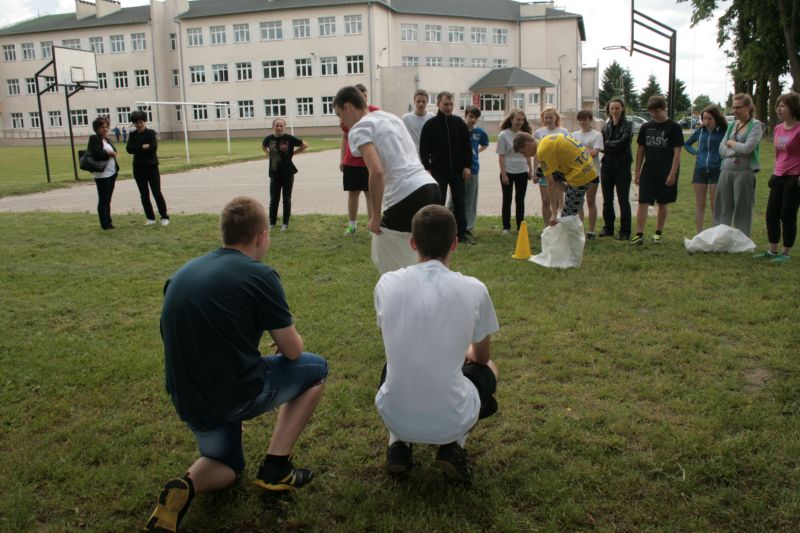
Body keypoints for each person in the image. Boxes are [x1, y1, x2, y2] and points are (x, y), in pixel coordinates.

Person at [144, 196, 328, 533]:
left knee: (227, 467)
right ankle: (277, 467)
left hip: (190, 399)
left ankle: (186, 486)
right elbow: (293, 351)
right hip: (233, 393)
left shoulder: (182, 274)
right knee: (316, 370)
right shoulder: (260, 275)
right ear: (261, 236)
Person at [374, 204, 499, 483]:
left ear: (412, 242)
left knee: (393, 365)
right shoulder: (475, 289)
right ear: (454, 243)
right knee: (489, 367)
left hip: (394, 414)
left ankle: (398, 444)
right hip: (451, 417)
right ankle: (454, 446)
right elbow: (481, 357)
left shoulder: (386, 283)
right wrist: (462, 352)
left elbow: (392, 340)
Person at [334, 86, 439, 273]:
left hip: (407, 194)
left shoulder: (359, 128)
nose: (341, 122)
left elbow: (376, 172)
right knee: (424, 251)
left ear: (348, 107)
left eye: (339, 115)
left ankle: (405, 288)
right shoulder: (390, 117)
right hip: (431, 187)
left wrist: (375, 217)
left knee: (383, 249)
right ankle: (430, 283)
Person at [419, 91, 474, 245]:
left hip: (458, 171)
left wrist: (467, 166)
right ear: (438, 104)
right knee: (438, 203)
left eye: (451, 104)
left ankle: (461, 234)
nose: (449, 107)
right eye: (445, 104)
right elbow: (424, 149)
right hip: (438, 171)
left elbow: (467, 147)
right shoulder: (430, 125)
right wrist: (427, 168)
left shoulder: (459, 123)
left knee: (460, 202)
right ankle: (437, 234)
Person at [631, 95, 684, 246]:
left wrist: (672, 174)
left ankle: (658, 234)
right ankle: (639, 234)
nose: (654, 114)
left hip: (666, 172)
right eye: (651, 112)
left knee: (663, 203)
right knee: (643, 201)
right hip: (648, 171)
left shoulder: (674, 127)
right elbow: (641, 150)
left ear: (664, 109)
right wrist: (637, 171)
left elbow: (677, 152)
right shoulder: (646, 127)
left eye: (657, 111)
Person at [754, 92, 800, 263]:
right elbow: (778, 154)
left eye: (782, 106)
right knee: (771, 214)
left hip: (794, 177)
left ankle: (785, 253)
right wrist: (776, 170)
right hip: (779, 175)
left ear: (793, 108)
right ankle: (772, 250)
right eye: (777, 106)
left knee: (787, 215)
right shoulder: (778, 129)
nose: (778, 109)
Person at [514, 132, 597, 224]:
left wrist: (554, 212)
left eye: (523, 152)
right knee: (541, 171)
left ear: (527, 144)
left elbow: (551, 185)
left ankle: (574, 196)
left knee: (567, 217)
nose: (525, 156)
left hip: (581, 175)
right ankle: (571, 192)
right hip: (588, 168)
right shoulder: (545, 140)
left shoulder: (542, 151)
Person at [716, 93, 763, 237]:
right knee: (723, 206)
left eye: (738, 107)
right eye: (733, 107)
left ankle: (742, 240)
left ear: (748, 107)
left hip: (744, 172)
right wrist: (734, 151)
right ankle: (721, 237)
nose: (734, 110)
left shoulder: (756, 126)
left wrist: (732, 143)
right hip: (726, 169)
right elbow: (721, 148)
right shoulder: (732, 125)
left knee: (743, 207)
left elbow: (748, 148)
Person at [341, 84, 379, 235]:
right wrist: (342, 159)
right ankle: (352, 226)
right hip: (351, 162)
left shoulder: (375, 111)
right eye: (360, 95)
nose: (363, 97)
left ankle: (372, 225)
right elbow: (344, 138)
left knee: (370, 194)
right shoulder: (347, 114)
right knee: (352, 194)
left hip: (368, 162)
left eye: (365, 95)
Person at [447, 105, 489, 240]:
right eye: (470, 116)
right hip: (458, 169)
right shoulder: (458, 129)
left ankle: (468, 227)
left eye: (475, 117)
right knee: (454, 199)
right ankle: (448, 224)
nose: (472, 120)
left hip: (473, 169)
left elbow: (485, 143)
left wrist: (476, 152)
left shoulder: (479, 132)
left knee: (470, 199)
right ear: (465, 115)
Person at [684, 105, 727, 234]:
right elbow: (687, 144)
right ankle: (699, 234)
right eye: (704, 118)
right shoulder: (700, 131)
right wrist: (696, 153)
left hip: (717, 170)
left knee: (715, 205)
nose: (707, 121)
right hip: (700, 170)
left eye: (710, 119)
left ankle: (715, 235)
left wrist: (722, 157)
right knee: (700, 205)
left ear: (716, 119)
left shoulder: (723, 131)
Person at [261, 118, 308, 231]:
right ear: (273, 127)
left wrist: (294, 153)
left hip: (288, 173)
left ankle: (285, 223)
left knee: (286, 199)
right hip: (274, 173)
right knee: (274, 199)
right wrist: (268, 154)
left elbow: (305, 145)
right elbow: (263, 146)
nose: (279, 128)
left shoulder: (289, 138)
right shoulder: (269, 139)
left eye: (281, 126)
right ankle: (272, 223)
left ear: (284, 127)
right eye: (277, 125)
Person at [126, 110, 170, 226]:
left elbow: (153, 148)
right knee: (144, 194)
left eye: (141, 122)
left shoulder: (151, 133)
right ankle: (150, 218)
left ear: (144, 121)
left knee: (156, 192)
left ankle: (164, 216)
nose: (139, 125)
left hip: (151, 167)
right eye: (136, 123)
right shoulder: (132, 135)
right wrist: (142, 147)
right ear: (134, 124)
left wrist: (138, 148)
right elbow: (129, 149)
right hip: (138, 168)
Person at [599, 97, 634, 240]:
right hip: (607, 166)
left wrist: (608, 144)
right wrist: (610, 145)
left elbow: (624, 143)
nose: (614, 111)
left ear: (622, 109)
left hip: (622, 166)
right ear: (608, 110)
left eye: (617, 108)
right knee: (607, 200)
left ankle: (625, 231)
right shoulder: (606, 126)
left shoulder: (628, 125)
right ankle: (608, 228)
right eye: (612, 108)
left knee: (623, 200)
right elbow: (601, 145)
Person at [496, 108, 533, 234]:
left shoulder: (525, 135)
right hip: (508, 172)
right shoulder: (503, 135)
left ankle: (520, 226)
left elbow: (528, 153)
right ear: (511, 120)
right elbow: (501, 156)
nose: (520, 122)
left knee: (520, 200)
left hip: (522, 172)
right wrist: (504, 174)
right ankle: (506, 227)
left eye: (522, 120)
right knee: (507, 200)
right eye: (518, 119)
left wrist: (530, 170)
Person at [571, 109, 604, 239]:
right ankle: (580, 230)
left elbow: (594, 153)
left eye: (585, 119)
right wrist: (586, 150)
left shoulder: (597, 135)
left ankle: (591, 231)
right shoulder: (574, 134)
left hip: (592, 173)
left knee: (591, 202)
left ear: (590, 120)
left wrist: (579, 148)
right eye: (580, 120)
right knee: (578, 203)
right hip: (577, 174)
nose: (582, 122)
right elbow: (570, 153)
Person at [534, 106, 569, 227]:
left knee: (559, 202)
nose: (548, 120)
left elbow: (567, 151)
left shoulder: (563, 132)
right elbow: (536, 153)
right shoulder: (539, 133)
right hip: (544, 170)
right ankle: (547, 227)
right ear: (543, 119)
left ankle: (559, 226)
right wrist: (535, 171)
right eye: (546, 118)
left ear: (556, 118)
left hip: (559, 171)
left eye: (551, 117)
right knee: (545, 201)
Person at [86, 116, 118, 230]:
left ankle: (109, 222)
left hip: (111, 172)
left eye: (106, 127)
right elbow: (96, 153)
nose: (105, 129)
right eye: (102, 127)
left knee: (108, 199)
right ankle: (104, 224)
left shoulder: (107, 139)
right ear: (97, 128)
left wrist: (113, 152)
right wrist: (108, 153)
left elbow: (115, 151)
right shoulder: (94, 138)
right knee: (103, 199)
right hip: (102, 174)